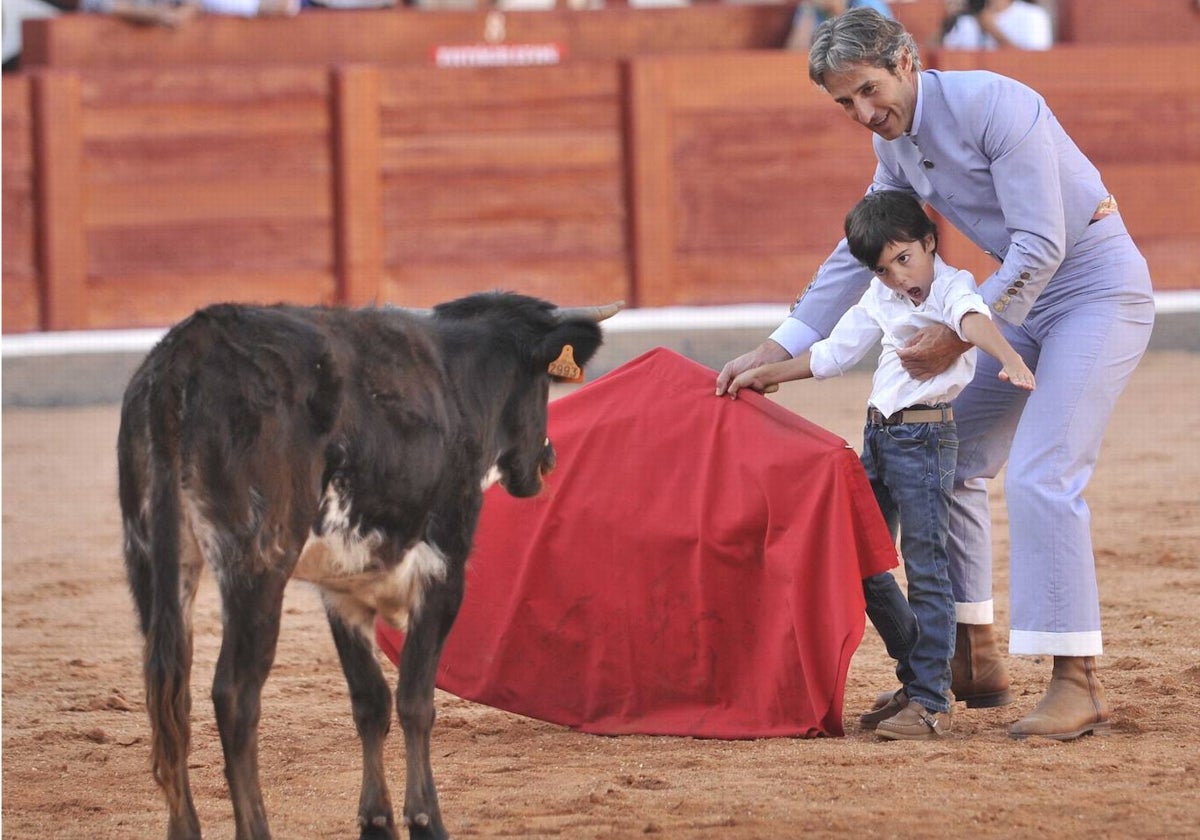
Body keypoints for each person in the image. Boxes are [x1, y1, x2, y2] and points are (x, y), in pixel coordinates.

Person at [715, 7, 1154, 740]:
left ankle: (1078, 682)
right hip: (1014, 302)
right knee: (947, 458)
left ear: (905, 61)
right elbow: (849, 254)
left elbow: (1043, 243)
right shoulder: (900, 149)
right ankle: (971, 649)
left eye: (867, 90)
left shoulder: (996, 104)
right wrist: (776, 346)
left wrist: (957, 337)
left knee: (1043, 473)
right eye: (844, 103)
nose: (862, 112)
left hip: (1094, 289)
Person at [727, 190, 1036, 740]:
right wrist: (764, 373)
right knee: (858, 557)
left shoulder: (951, 286)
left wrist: (1008, 359)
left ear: (928, 243)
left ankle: (930, 700)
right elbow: (833, 354)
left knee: (926, 568)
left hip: (925, 439)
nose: (897, 277)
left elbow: (972, 321)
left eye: (904, 259)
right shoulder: (880, 295)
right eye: (883, 268)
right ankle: (918, 677)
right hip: (879, 438)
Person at [940, 0, 1053, 51]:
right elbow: (946, 55)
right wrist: (948, 20)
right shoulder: (967, 20)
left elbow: (1036, 63)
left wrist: (992, 29)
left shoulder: (1034, 15)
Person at [786, 0, 892, 53]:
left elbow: (881, 49)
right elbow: (793, 55)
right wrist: (808, 10)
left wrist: (837, 9)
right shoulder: (811, 8)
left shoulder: (868, 4)